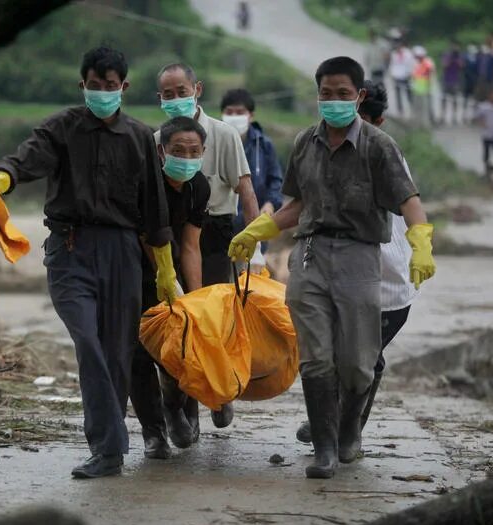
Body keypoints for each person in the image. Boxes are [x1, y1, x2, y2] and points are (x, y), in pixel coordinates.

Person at [228, 57, 436, 479]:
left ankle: (348, 434)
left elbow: (409, 201)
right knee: (316, 358)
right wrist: (257, 230)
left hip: (361, 257)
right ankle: (323, 449)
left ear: (358, 97)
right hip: (311, 255)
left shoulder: (379, 146)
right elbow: (296, 205)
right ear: (318, 94)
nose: (334, 101)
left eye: (344, 94)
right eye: (327, 93)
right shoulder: (306, 142)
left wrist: (421, 243)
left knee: (358, 363)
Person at [0, 46, 173, 479]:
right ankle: (111, 442)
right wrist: (1, 179)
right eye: (94, 85)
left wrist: (164, 268)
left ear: (123, 87)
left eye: (111, 86)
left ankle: (107, 453)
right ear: (82, 85)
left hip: (123, 253)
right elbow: (28, 157)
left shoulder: (141, 137)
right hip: (70, 249)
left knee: (116, 352)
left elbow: (154, 210)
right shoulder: (62, 128)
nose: (102, 92)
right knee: (87, 341)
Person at [294, 80, 419, 447]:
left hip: (386, 283)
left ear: (375, 121)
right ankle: (334, 428)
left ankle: (348, 430)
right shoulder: (321, 150)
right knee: (331, 355)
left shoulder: (382, 155)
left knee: (365, 358)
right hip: (337, 274)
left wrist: (424, 243)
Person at [155, 62, 260, 432]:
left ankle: (219, 391)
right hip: (168, 235)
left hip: (216, 236)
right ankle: (184, 409)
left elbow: (245, 189)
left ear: (196, 89)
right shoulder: (158, 140)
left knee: (216, 322)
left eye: (182, 91)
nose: (176, 99)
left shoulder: (225, 134)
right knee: (176, 325)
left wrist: (254, 248)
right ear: (159, 98)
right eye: (168, 94)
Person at [130, 116, 210, 459]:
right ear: (161, 152)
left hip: (174, 271)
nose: (187, 157)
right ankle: (153, 433)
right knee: (138, 356)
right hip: (135, 273)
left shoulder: (199, 187)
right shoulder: (144, 182)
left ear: (203, 151)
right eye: (179, 150)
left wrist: (196, 298)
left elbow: (191, 246)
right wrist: (163, 274)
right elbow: (145, 233)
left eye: (194, 151)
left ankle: (175, 407)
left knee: (179, 350)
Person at [219, 88, 284, 249]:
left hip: (254, 224)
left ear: (251, 115)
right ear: (222, 114)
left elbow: (275, 180)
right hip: (220, 225)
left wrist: (270, 203)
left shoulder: (264, 145)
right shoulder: (213, 142)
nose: (234, 117)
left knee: (252, 270)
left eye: (240, 112)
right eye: (229, 112)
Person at [440, 40, 464, 125]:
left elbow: (461, 66)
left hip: (455, 80)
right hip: (446, 79)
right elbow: (444, 65)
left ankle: (454, 118)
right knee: (444, 100)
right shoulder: (446, 55)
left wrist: (456, 59)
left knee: (455, 100)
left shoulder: (459, 55)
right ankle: (442, 117)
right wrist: (450, 59)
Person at [410, 46, 435, 128]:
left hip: (425, 90)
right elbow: (413, 76)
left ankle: (426, 126)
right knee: (417, 109)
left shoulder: (427, 62)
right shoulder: (416, 63)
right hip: (416, 90)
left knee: (425, 109)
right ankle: (417, 125)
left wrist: (430, 87)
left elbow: (430, 74)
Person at [389, 40, 416, 116]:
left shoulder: (407, 53)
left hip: (406, 76)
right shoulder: (394, 54)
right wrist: (392, 74)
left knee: (408, 93)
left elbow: (411, 63)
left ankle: (412, 108)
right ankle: (400, 110)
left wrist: (410, 73)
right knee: (398, 94)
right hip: (397, 76)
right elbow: (392, 64)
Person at [462, 44, 480, 119]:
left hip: (474, 82)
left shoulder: (477, 60)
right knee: (466, 100)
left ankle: (474, 116)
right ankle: (465, 116)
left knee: (475, 100)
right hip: (467, 82)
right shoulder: (466, 59)